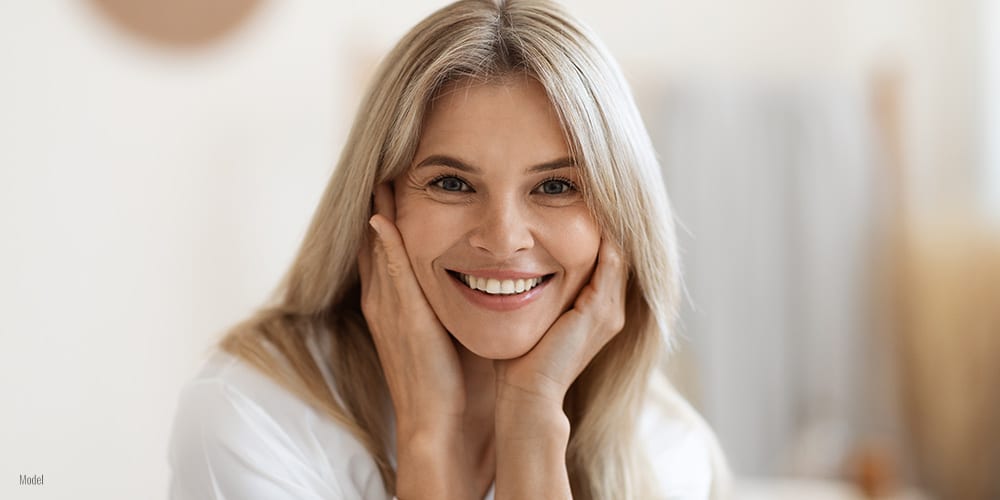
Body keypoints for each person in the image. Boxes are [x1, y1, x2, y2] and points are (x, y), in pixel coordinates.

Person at [167, 0, 730, 498]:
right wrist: (426, 439)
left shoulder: (663, 452)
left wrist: (532, 421)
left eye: (556, 187)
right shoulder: (254, 418)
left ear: (620, 217)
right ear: (378, 205)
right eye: (452, 183)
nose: (504, 237)